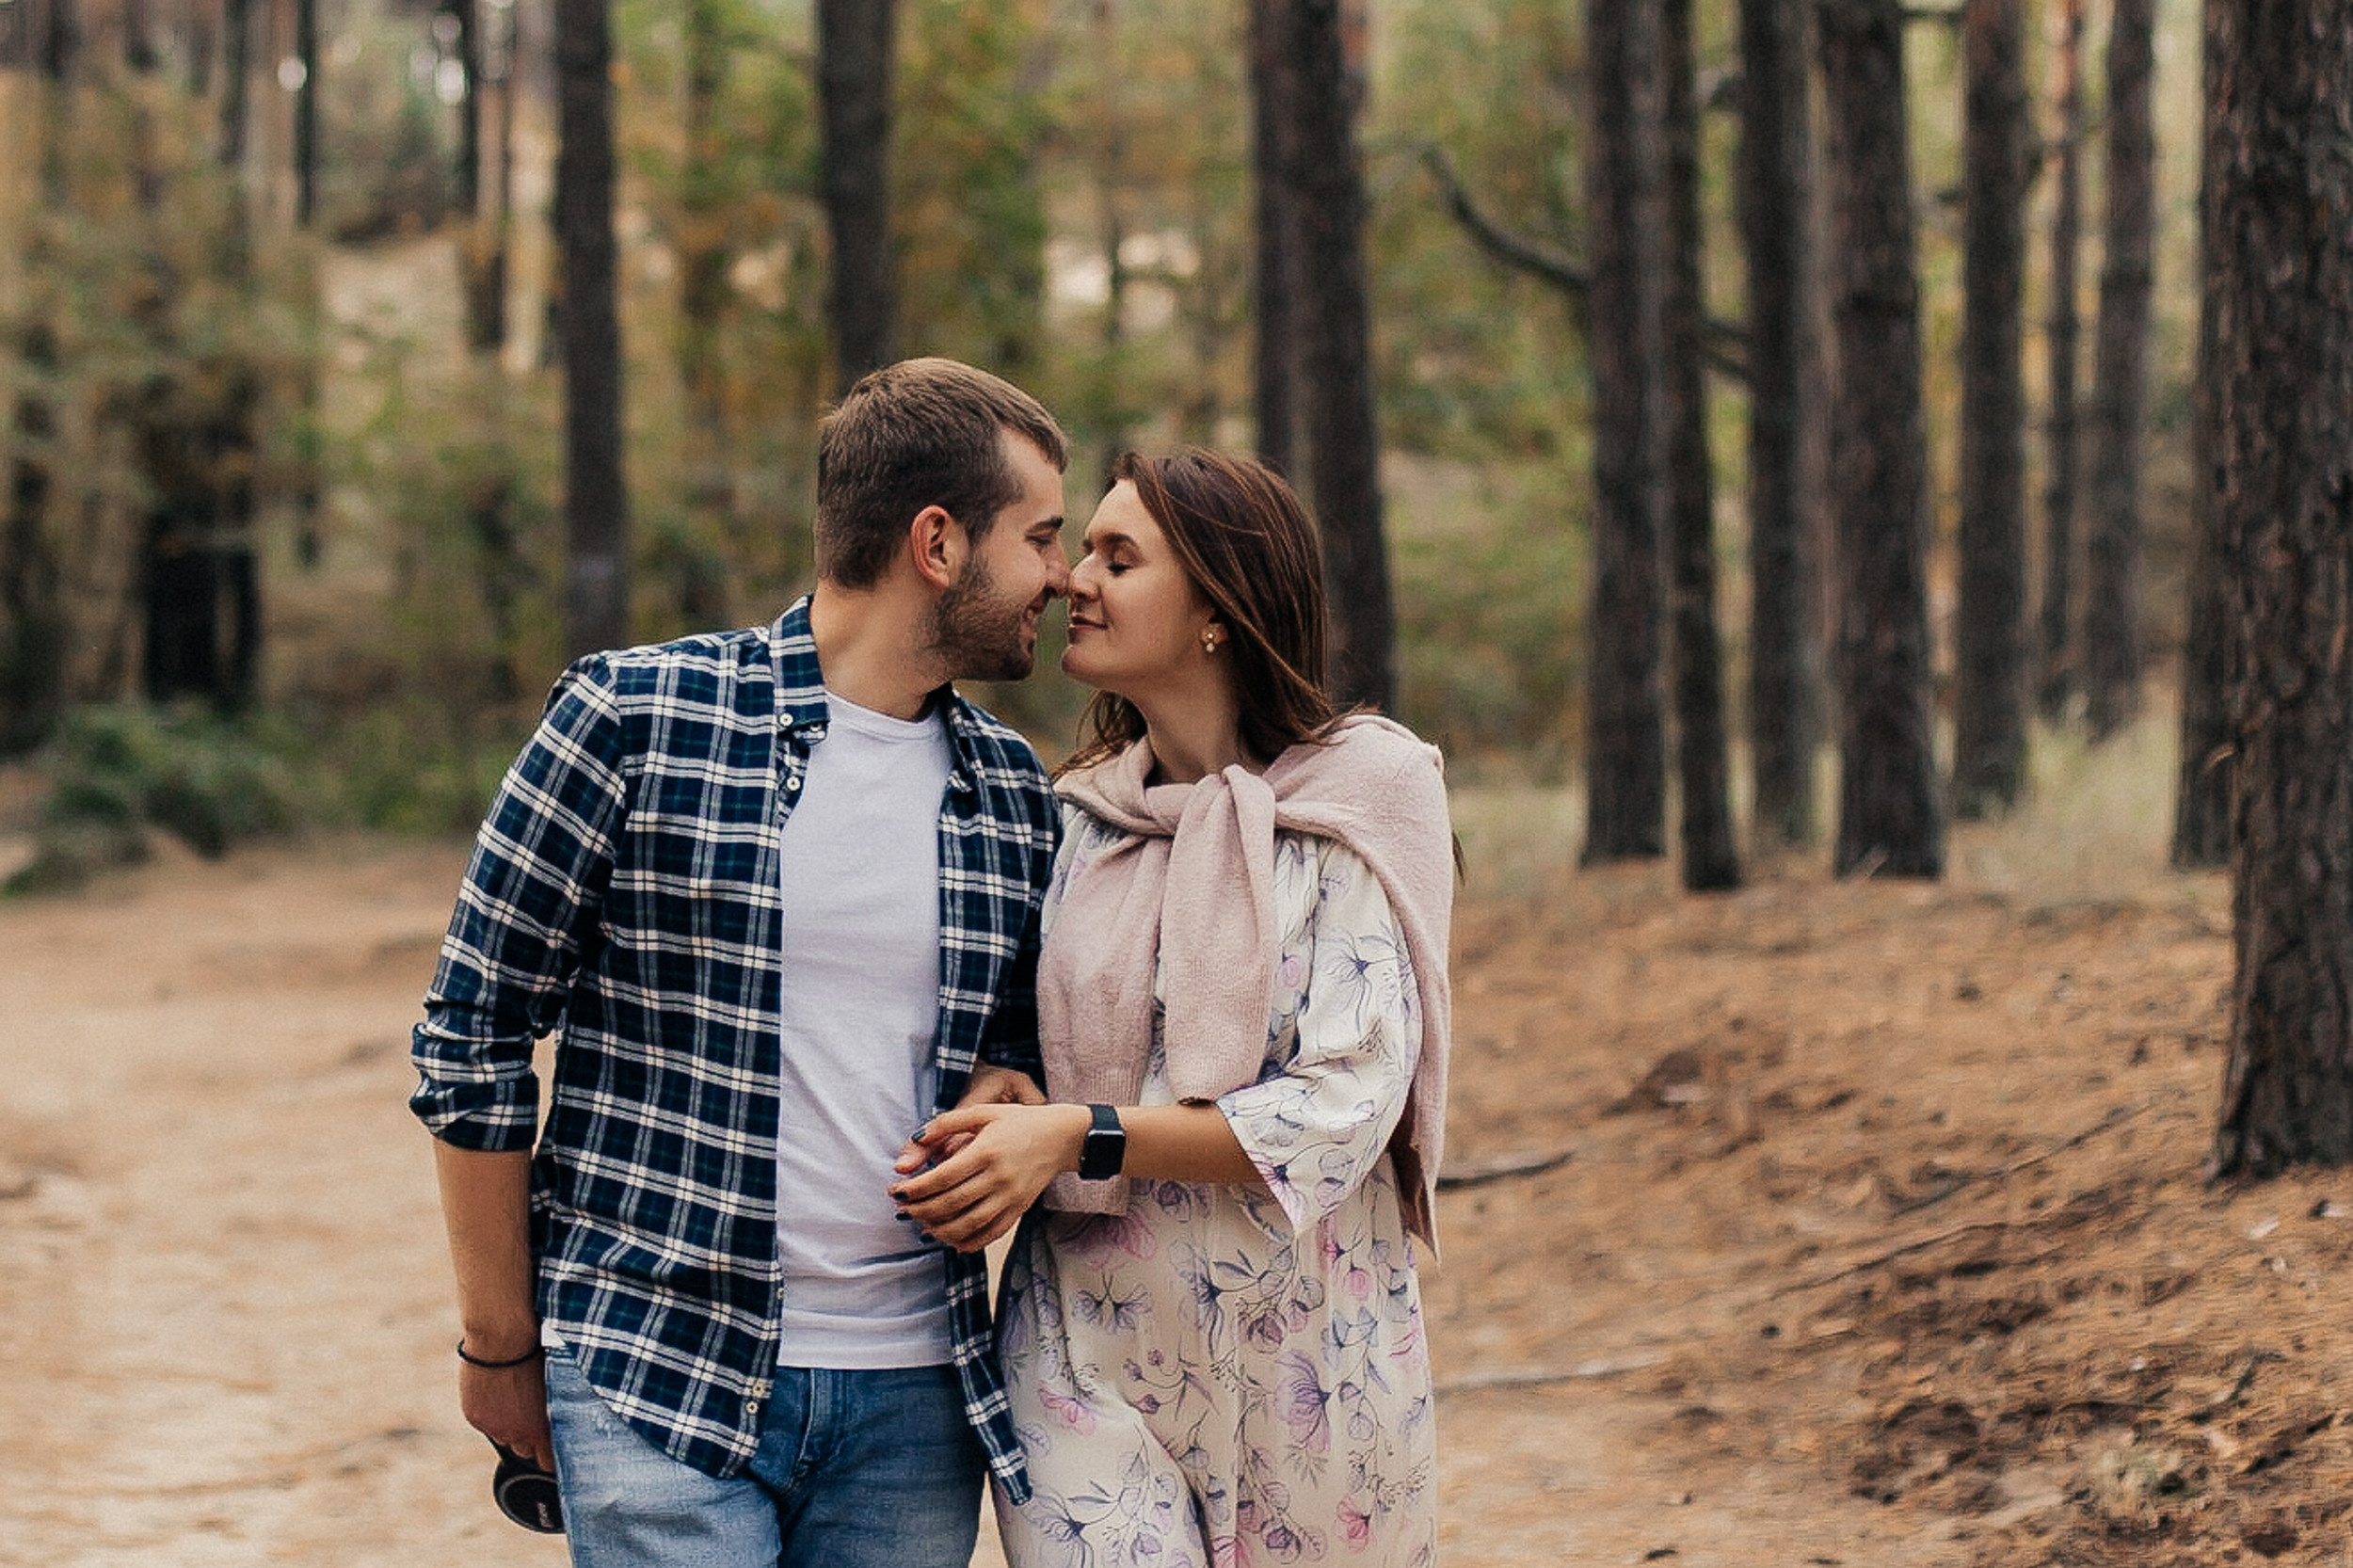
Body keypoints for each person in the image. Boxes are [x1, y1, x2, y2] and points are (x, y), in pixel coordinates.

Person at [409, 357, 1073, 1568]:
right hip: (656, 1369)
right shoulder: (633, 719)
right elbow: (474, 1031)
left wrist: (1008, 1090)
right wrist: (498, 1340)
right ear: (937, 542)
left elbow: (1017, 1046)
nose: (1063, 575)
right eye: (1041, 537)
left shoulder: (1014, 795)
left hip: (916, 1402)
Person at [890, 448, 1455, 1568]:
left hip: (1315, 1356)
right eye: (1077, 550)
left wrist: (1080, 1130)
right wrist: (1012, 1089)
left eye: (1116, 556)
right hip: (1083, 1347)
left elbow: (1343, 1103)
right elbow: (1026, 1049)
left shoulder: (1362, 798)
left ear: (1215, 606)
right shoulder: (1073, 823)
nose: (1070, 582)